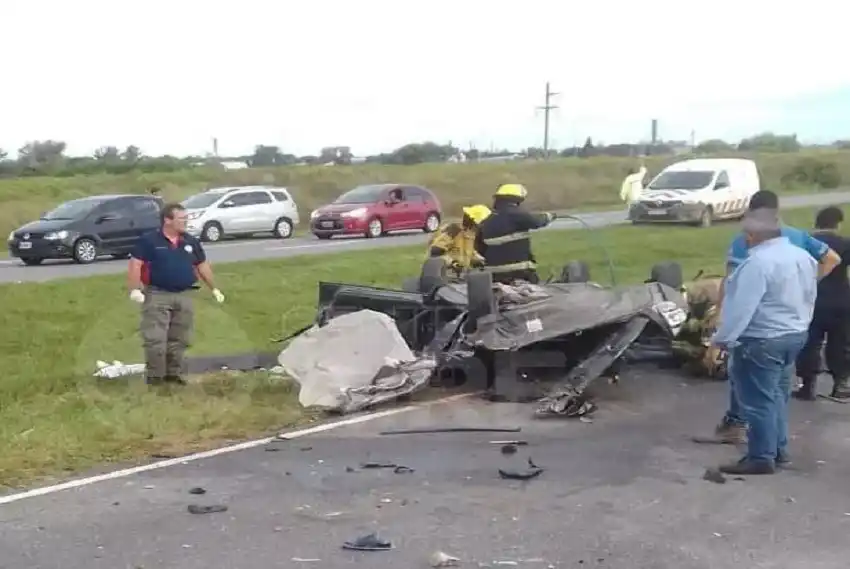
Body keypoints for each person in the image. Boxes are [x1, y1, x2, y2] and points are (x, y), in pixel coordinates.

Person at [692, 190, 841, 446]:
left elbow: (734, 285)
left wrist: (720, 323)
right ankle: (777, 447)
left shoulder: (746, 243)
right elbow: (832, 259)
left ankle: (746, 435)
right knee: (777, 390)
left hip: (759, 326)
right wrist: (803, 285)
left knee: (749, 382)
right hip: (793, 324)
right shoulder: (798, 238)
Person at [711, 208, 816, 475]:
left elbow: (741, 308)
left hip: (761, 339)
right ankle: (778, 450)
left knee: (758, 401)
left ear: (752, 235)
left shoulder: (757, 264)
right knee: (776, 396)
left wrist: (721, 340)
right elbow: (809, 295)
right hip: (793, 334)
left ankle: (760, 456)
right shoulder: (802, 257)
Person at [127, 203, 225, 385]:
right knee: (156, 338)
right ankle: (155, 377)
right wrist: (134, 289)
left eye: (186, 218)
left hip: (184, 295)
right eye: (181, 219)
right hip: (157, 294)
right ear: (167, 220)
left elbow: (202, 265)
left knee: (180, 338)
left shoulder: (190, 241)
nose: (185, 222)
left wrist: (214, 288)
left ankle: (174, 374)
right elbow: (135, 264)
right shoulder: (149, 241)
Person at [794, 206, 850, 400]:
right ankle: (840, 383)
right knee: (840, 343)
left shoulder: (805, 242)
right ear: (838, 223)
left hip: (811, 300)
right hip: (841, 300)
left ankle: (807, 385)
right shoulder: (844, 243)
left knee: (809, 344)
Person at [475, 183, 556, 284]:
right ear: (516, 200)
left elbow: (479, 247)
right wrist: (549, 216)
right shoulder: (516, 214)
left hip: (493, 274)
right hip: (519, 272)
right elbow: (536, 221)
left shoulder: (487, 220)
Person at [426, 204, 491, 274]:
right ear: (473, 221)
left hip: (461, 275)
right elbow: (435, 252)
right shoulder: (454, 230)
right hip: (445, 274)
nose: (482, 227)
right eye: (481, 224)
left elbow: (468, 253)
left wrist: (478, 260)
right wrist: (453, 263)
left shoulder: (470, 235)